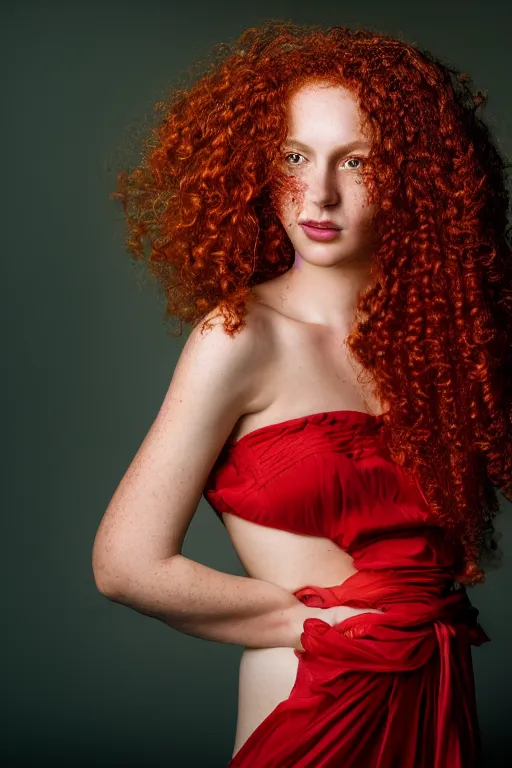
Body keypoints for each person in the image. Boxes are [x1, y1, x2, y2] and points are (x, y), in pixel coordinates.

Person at [92, 20, 511, 767]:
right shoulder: (240, 337)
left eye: (357, 161)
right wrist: (310, 622)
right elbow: (126, 564)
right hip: (316, 698)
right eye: (294, 156)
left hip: (442, 692)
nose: (317, 192)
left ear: (416, 175)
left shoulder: (451, 348)